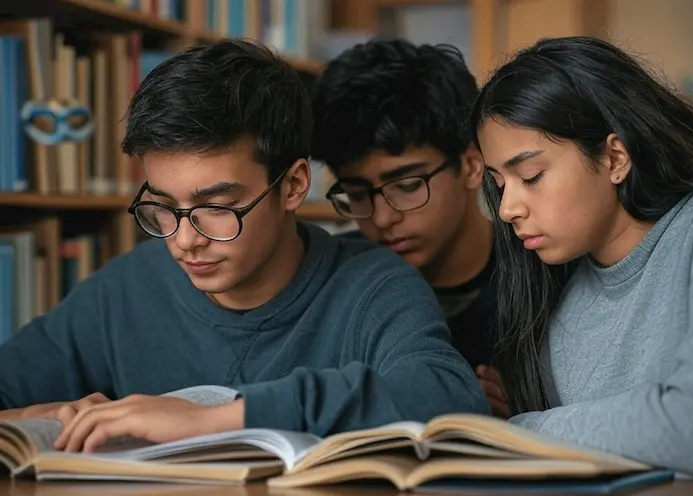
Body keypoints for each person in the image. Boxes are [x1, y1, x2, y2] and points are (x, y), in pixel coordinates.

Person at [0, 39, 490, 451]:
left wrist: (215, 418)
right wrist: (40, 415)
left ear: (295, 185)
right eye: (164, 207)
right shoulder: (124, 288)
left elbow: (447, 394)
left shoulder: (375, 285)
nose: (185, 240)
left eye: (217, 207)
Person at [471, 35, 693, 477]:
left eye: (531, 176)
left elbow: (691, 423)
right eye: (500, 184)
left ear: (615, 157)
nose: (506, 209)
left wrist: (517, 433)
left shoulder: (691, 235)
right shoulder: (554, 290)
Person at [310, 40, 506, 415]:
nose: (383, 218)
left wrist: (537, 414)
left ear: (470, 165)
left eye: (408, 185)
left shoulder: (545, 273)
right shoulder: (337, 281)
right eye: (358, 193)